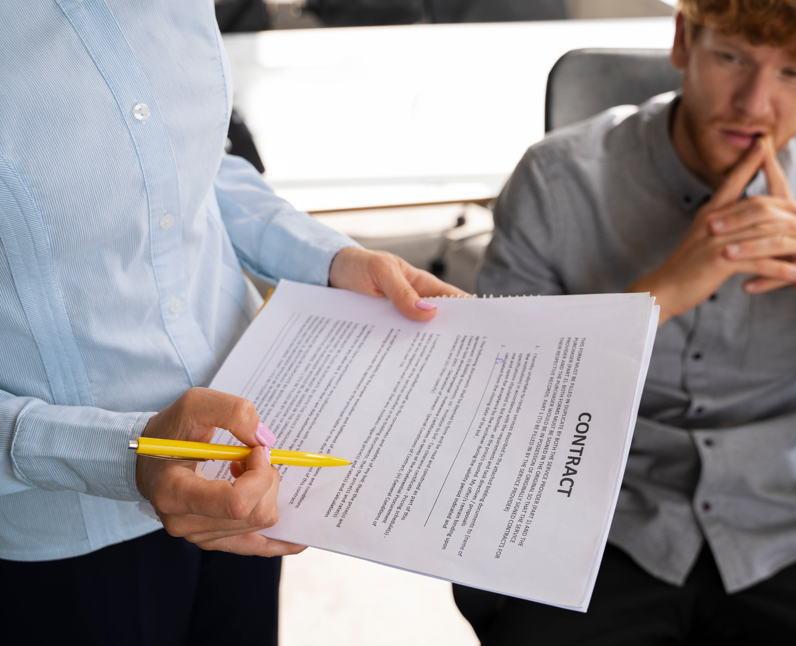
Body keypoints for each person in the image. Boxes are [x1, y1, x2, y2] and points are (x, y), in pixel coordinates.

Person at [470, 0, 796, 644]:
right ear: (685, 40)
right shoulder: (558, 181)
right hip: (594, 519)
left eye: (795, 73)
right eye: (732, 57)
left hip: (784, 520)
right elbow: (488, 411)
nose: (754, 103)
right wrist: (657, 297)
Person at [0, 2, 462, 645]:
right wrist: (121, 457)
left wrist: (329, 260)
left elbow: (193, 169)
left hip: (251, 452)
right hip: (66, 531)